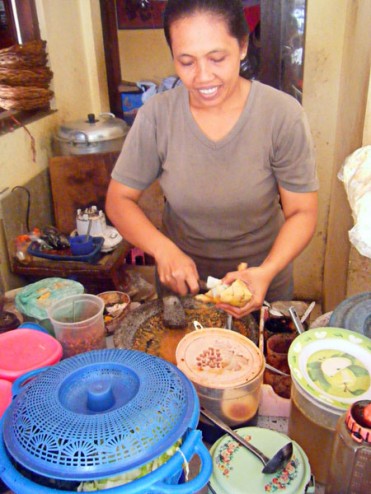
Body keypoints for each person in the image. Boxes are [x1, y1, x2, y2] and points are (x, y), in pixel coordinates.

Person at [105, 0, 318, 318]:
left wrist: (267, 271)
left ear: (243, 46)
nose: (203, 77)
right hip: (183, 289)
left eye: (217, 58)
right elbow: (119, 200)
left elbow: (302, 211)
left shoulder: (282, 115)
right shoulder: (157, 115)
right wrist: (163, 250)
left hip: (261, 286)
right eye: (186, 61)